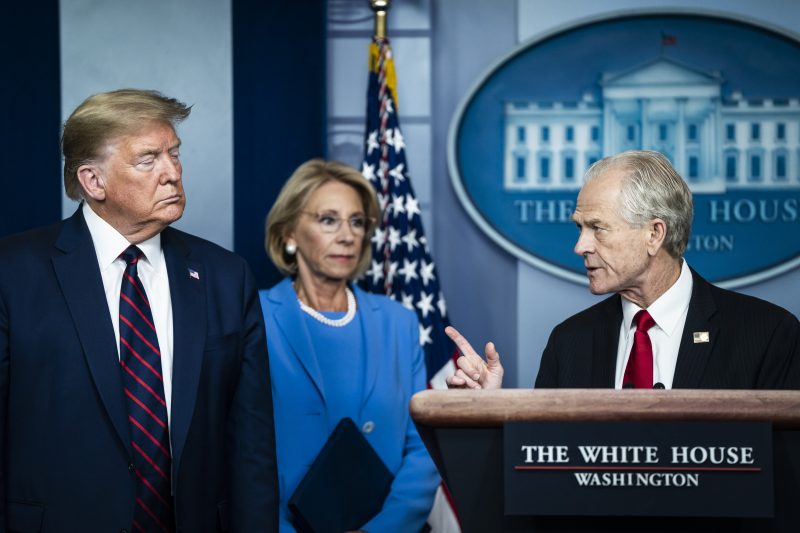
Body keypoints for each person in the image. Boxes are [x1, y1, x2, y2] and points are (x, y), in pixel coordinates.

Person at [0, 89, 278, 531]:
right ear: (93, 181)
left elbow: (252, 447)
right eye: (148, 160)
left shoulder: (227, 277)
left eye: (174, 153)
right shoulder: (12, 274)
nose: (173, 173)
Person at [446, 150, 800, 391]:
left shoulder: (767, 335)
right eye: (580, 227)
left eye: (597, 228)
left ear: (654, 234)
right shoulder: (569, 342)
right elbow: (544, 467)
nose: (580, 246)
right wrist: (490, 411)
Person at [260, 159, 439, 532]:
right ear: (289, 233)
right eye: (328, 220)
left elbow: (423, 448)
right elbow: (236, 450)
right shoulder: (255, 318)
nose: (347, 236)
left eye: (357, 222)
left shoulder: (398, 323)